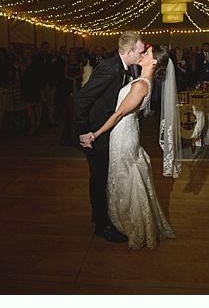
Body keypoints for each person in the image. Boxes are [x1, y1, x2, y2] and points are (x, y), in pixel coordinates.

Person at [81, 45, 180, 250]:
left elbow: (118, 114)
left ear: (154, 62)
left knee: (123, 177)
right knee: (122, 176)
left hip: (123, 134)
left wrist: (96, 134)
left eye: (148, 53)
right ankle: (117, 218)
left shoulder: (141, 85)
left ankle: (129, 223)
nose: (143, 54)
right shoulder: (144, 82)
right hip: (126, 131)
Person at [74, 31, 145, 244]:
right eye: (140, 52)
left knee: (101, 176)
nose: (142, 56)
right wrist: (84, 131)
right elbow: (82, 99)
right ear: (130, 51)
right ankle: (102, 226)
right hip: (94, 132)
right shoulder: (110, 68)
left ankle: (99, 217)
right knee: (99, 178)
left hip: (104, 131)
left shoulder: (122, 67)